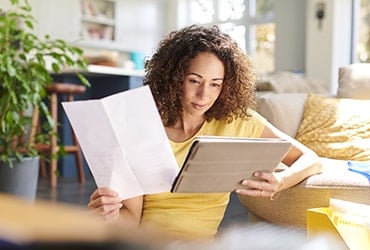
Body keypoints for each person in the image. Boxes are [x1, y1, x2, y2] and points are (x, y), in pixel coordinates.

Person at [87, 25, 322, 240]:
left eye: (215, 84)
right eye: (194, 81)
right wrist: (110, 215)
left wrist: (281, 181)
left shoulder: (237, 122)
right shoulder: (141, 126)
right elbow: (131, 221)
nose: (204, 95)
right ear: (174, 78)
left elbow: (310, 159)